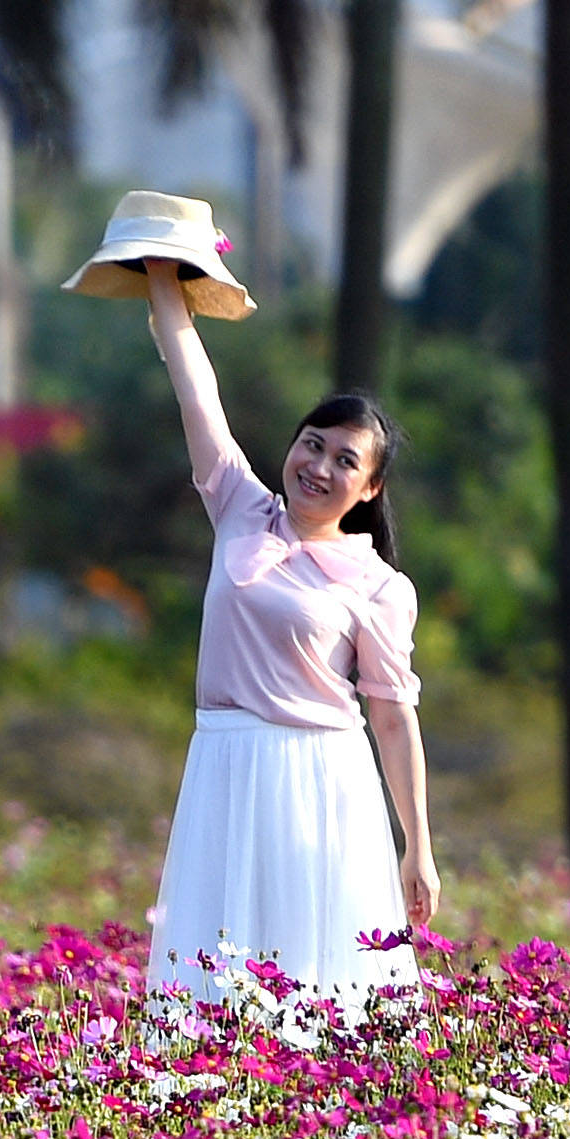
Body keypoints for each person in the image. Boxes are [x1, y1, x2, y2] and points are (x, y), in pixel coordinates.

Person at [136, 266, 436, 1013]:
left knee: (313, 972)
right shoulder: (241, 507)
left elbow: (394, 721)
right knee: (213, 968)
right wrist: (163, 281)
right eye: (313, 444)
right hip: (224, 761)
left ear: (368, 490)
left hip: (320, 779)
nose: (319, 466)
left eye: (344, 461)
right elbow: (194, 388)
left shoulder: (377, 587)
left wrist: (417, 845)